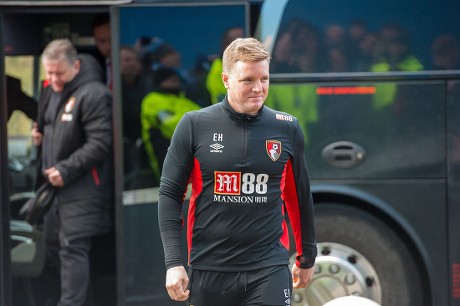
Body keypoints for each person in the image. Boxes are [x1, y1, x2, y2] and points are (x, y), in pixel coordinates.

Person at [158, 37, 317, 305]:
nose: (258, 88)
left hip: (268, 268)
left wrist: (306, 256)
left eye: (264, 79)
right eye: (247, 80)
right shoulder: (194, 125)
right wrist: (174, 262)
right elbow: (170, 195)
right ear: (226, 79)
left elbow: (298, 197)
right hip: (209, 268)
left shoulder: (287, 128)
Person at [31, 38, 114, 306]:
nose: (54, 79)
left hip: (82, 188)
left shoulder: (94, 93)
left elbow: (101, 143)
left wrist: (65, 170)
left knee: (72, 250)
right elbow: (47, 125)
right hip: (55, 190)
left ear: (76, 66)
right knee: (54, 248)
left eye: (59, 72)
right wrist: (38, 134)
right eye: (49, 73)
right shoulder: (51, 91)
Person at [141, 66, 201, 184]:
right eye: (168, 78)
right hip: (169, 160)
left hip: (194, 155)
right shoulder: (152, 100)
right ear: (159, 82)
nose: (174, 79)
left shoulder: (184, 100)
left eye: (175, 77)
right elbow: (170, 125)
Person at [92, 13, 112, 89]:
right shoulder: (93, 64)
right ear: (96, 42)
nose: (108, 46)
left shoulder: (129, 60)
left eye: (111, 39)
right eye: (102, 41)